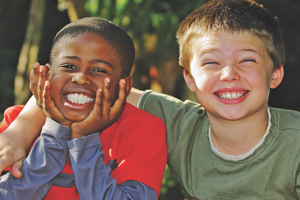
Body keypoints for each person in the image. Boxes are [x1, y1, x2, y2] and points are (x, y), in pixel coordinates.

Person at [1, 0, 299, 199]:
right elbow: (80, 91)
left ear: (275, 74)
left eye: (247, 60)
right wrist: (21, 129)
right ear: (189, 79)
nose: (229, 74)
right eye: (211, 63)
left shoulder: (295, 143)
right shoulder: (174, 120)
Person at [0, 17, 167, 200]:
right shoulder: (18, 123)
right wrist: (55, 133)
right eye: (69, 66)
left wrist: (83, 140)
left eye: (99, 70)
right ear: (48, 74)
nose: (80, 78)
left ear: (124, 86)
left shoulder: (144, 130)